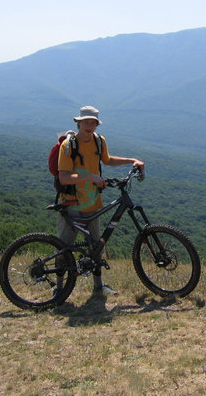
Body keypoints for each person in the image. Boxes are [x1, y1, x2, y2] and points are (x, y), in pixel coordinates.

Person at [56, 105, 145, 295]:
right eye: (86, 122)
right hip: (71, 202)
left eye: (93, 122)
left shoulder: (98, 141)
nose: (90, 125)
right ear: (79, 123)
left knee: (97, 246)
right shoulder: (68, 145)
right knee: (63, 247)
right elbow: (63, 177)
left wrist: (132, 161)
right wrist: (90, 177)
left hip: (93, 203)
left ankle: (98, 287)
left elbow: (107, 160)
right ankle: (59, 287)